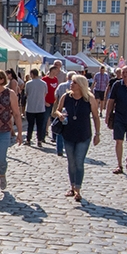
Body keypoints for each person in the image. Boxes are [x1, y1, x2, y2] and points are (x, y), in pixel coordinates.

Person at [52, 73, 101, 202]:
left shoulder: (89, 99)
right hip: (68, 133)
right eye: (71, 82)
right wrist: (60, 115)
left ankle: (78, 189)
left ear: (80, 85)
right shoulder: (66, 97)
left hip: (84, 134)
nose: (71, 84)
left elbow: (96, 117)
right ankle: (72, 186)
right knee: (71, 162)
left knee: (79, 162)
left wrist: (97, 134)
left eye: (74, 82)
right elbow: (56, 110)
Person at [24, 68, 48, 147]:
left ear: (32, 74)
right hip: (40, 107)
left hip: (30, 107)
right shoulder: (44, 83)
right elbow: (45, 93)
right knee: (39, 125)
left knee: (30, 125)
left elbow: (26, 94)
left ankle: (28, 140)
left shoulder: (28, 83)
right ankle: (39, 140)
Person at [52, 78, 71, 156]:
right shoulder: (78, 87)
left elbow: (55, 96)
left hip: (62, 111)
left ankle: (59, 149)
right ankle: (69, 150)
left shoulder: (61, 85)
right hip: (71, 113)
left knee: (60, 131)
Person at [42, 65, 60, 141]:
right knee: (45, 120)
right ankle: (42, 136)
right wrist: (44, 101)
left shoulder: (56, 79)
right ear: (52, 70)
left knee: (54, 120)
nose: (57, 72)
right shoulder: (45, 79)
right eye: (56, 70)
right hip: (46, 102)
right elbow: (42, 92)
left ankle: (54, 137)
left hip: (54, 102)